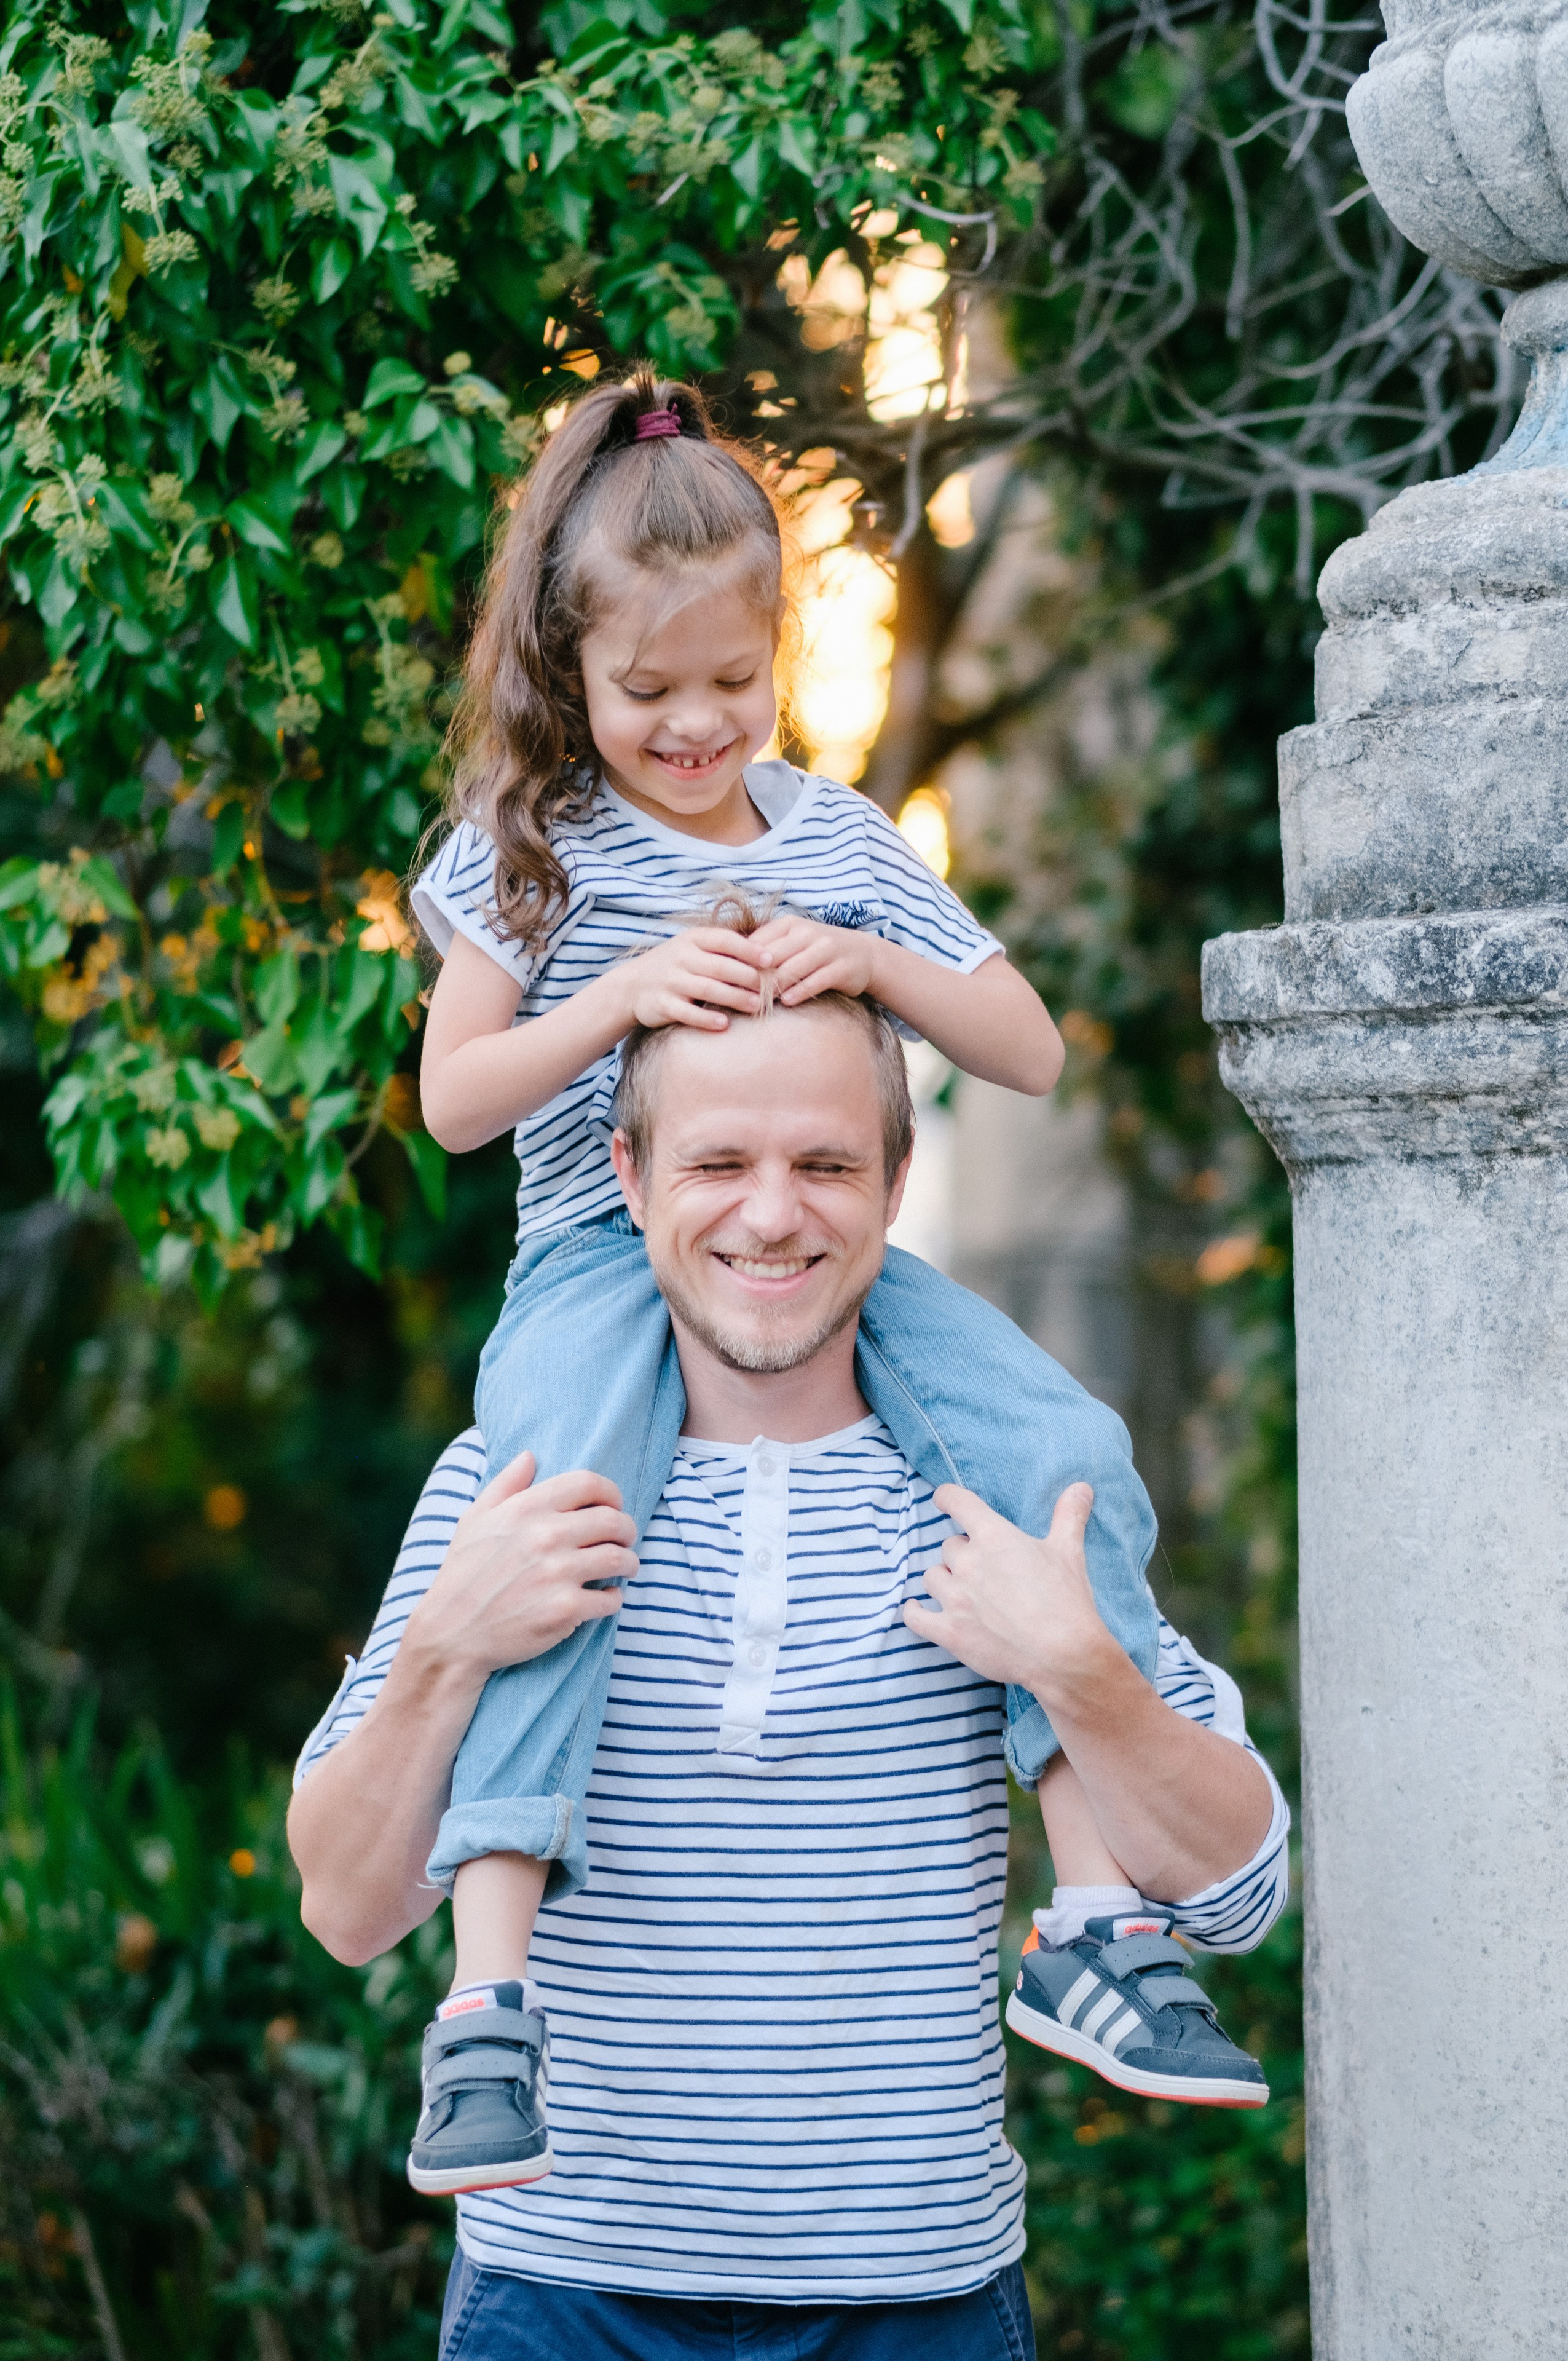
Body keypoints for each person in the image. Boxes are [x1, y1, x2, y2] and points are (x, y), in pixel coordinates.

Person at [398, 364, 1256, 2188]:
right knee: (561, 1526)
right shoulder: (530, 851)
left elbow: (1020, 1045)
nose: (698, 726)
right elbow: (455, 1103)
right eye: (650, 692)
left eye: (737, 681)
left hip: (830, 1268)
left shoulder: (836, 836)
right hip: (597, 1268)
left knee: (1057, 1435)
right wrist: (616, 998)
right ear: (571, 666)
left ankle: (1095, 1918)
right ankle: (488, 2004)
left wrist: (861, 944)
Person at [287, 989, 1290, 2358]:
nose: (771, 1217)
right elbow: (347, 1908)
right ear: (630, 1180)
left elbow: (1234, 1896)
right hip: (557, 2300)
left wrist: (1079, 1673)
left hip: (917, 2303)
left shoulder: (991, 1491)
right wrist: (441, 1654)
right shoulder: (509, 1485)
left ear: (892, 1180)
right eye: (716, 1164)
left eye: (822, 1164)